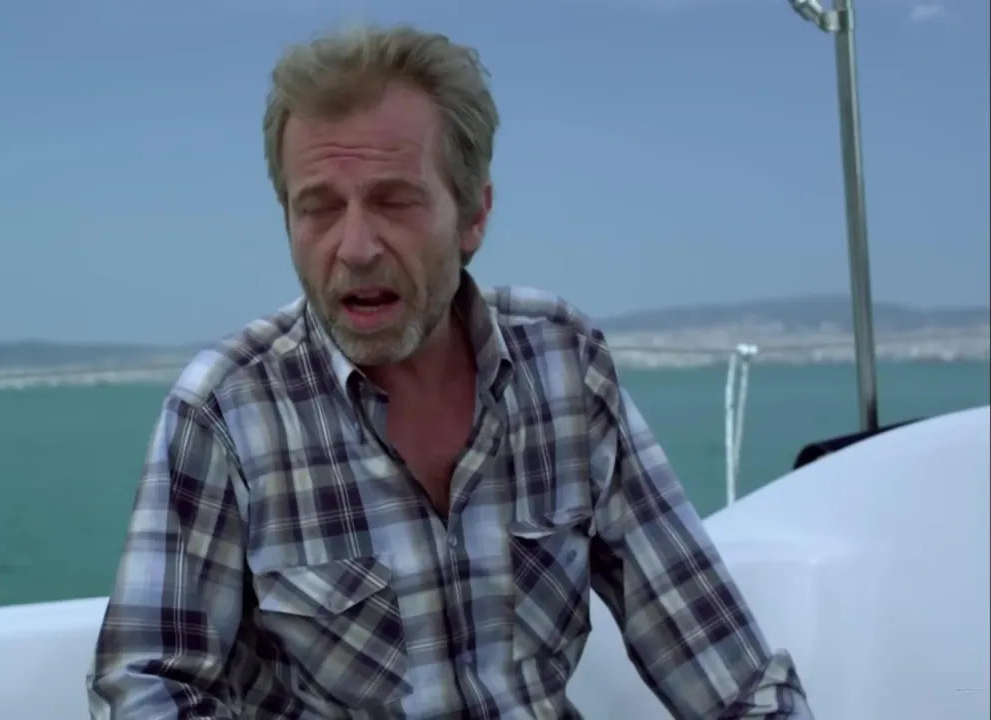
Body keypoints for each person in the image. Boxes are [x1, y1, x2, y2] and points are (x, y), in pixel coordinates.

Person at [88, 24, 813, 720]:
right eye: (319, 209)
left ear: (473, 216)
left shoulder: (563, 364)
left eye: (394, 202)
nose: (355, 247)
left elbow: (720, 659)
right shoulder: (228, 408)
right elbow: (149, 686)